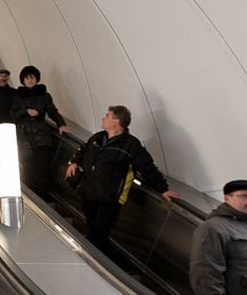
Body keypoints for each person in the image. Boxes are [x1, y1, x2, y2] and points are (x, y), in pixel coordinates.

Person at [64, 105, 180, 254]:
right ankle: (103, 260)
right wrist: (75, 162)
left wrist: (163, 189)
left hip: (110, 198)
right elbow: (83, 150)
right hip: (89, 192)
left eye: (107, 116)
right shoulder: (98, 137)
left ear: (116, 121)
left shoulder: (131, 144)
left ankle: (88, 260)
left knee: (98, 232)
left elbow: (147, 167)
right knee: (93, 228)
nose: (103, 118)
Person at [11, 65, 70, 198]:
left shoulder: (44, 95)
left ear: (37, 79)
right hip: (24, 136)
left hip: (41, 136)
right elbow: (13, 115)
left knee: (42, 168)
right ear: (23, 80)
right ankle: (29, 198)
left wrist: (61, 124)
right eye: (27, 78)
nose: (30, 80)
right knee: (27, 168)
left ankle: (41, 199)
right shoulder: (18, 96)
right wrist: (26, 111)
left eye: (32, 77)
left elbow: (52, 111)